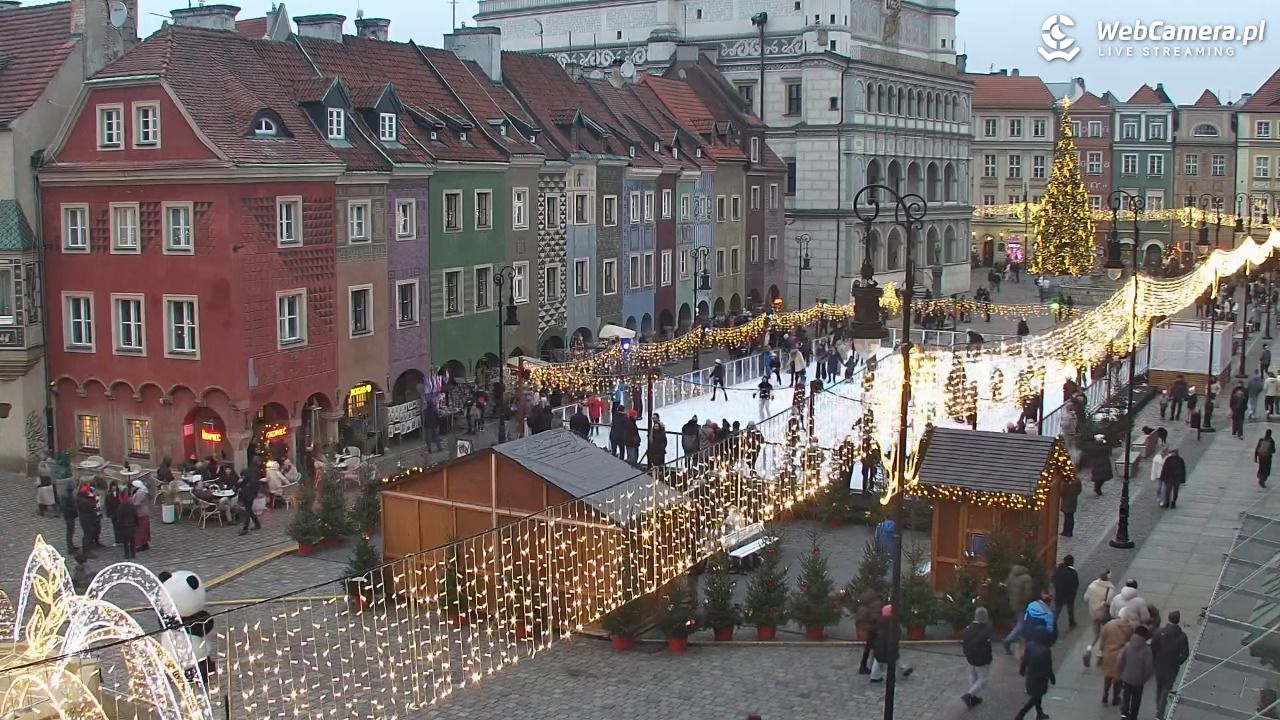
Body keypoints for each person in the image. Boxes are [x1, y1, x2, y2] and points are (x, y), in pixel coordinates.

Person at [1150, 611, 1189, 720]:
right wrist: (1178, 662)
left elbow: (1153, 648)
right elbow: (1185, 654)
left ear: (1168, 618)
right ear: (1178, 620)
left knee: (1159, 687)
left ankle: (1158, 708)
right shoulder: (1182, 636)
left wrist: (1154, 661)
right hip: (1172, 667)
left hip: (1159, 665)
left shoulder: (1159, 632)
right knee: (1166, 690)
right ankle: (1160, 713)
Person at [1100, 608, 1138, 706]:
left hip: (1108, 654)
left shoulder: (1108, 625)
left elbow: (1102, 640)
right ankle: (1115, 697)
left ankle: (1105, 693)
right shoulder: (1130, 627)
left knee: (1107, 675)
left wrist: (1102, 651)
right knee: (1118, 678)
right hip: (1121, 655)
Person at [1117, 624, 1155, 720]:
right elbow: (1149, 667)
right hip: (1139, 680)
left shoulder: (1127, 646)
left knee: (1126, 695)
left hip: (1127, 677)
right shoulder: (1147, 650)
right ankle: (1133, 715)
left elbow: (1120, 660)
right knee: (1136, 699)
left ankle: (1124, 713)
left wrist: (1121, 673)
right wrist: (1145, 678)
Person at [1016, 627, 1055, 720]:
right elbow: (1048, 666)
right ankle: (1021, 714)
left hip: (1031, 676)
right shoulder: (1046, 650)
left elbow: (1025, 660)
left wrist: (1022, 670)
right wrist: (1052, 677)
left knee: (1037, 696)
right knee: (1036, 697)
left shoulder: (1029, 646)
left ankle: (1039, 713)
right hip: (1041, 678)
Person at [869, 604, 913, 682]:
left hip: (879, 645)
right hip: (890, 645)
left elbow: (873, 633)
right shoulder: (893, 623)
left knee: (878, 660)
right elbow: (897, 635)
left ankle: (875, 676)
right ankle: (902, 670)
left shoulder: (879, 621)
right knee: (894, 658)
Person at [960, 607, 993, 708]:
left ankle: (973, 698)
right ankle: (969, 695)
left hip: (970, 657)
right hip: (981, 659)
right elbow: (987, 647)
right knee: (983, 679)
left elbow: (964, 642)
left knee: (973, 676)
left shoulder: (968, 628)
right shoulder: (986, 629)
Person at [1084, 569, 1115, 667]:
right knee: (1106, 634)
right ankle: (1100, 654)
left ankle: (1089, 649)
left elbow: (1086, 599)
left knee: (1096, 635)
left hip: (1093, 613)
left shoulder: (1091, 586)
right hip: (1104, 615)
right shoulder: (1110, 589)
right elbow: (1110, 603)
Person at [1002, 565, 1036, 654]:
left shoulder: (1012, 575)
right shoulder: (1027, 578)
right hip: (1022, 604)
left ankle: (1018, 638)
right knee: (1021, 624)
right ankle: (1008, 640)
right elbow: (1028, 593)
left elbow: (1007, 586)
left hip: (1013, 602)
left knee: (1019, 621)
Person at [855, 589, 883, 675]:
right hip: (873, 629)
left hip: (872, 629)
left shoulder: (864, 606)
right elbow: (874, 618)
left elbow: (860, 620)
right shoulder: (873, 606)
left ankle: (865, 667)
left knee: (869, 649)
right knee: (876, 649)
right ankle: (874, 670)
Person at [1053, 555, 1080, 630]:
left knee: (1057, 611)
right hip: (1069, 595)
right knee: (1070, 609)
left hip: (1059, 594)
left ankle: (1052, 624)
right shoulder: (1073, 573)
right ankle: (1071, 622)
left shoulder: (1059, 570)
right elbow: (1076, 584)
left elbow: (1054, 580)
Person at [236, 469, 262, 535]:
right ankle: (257, 524)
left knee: (247, 512)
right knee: (249, 510)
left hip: (247, 496)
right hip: (250, 495)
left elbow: (239, 485)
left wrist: (239, 483)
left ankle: (245, 528)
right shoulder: (251, 479)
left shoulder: (246, 480)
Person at [130, 480, 151, 552]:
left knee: (141, 529)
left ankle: (141, 545)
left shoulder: (140, 492)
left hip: (141, 513)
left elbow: (138, 503)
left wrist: (131, 505)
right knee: (143, 529)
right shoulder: (140, 491)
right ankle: (144, 544)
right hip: (141, 512)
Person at [61, 485, 79, 556]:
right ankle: (70, 548)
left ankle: (71, 546)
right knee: (70, 532)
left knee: (71, 531)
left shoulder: (67, 495)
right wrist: (74, 510)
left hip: (70, 516)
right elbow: (66, 507)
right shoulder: (68, 497)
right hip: (69, 516)